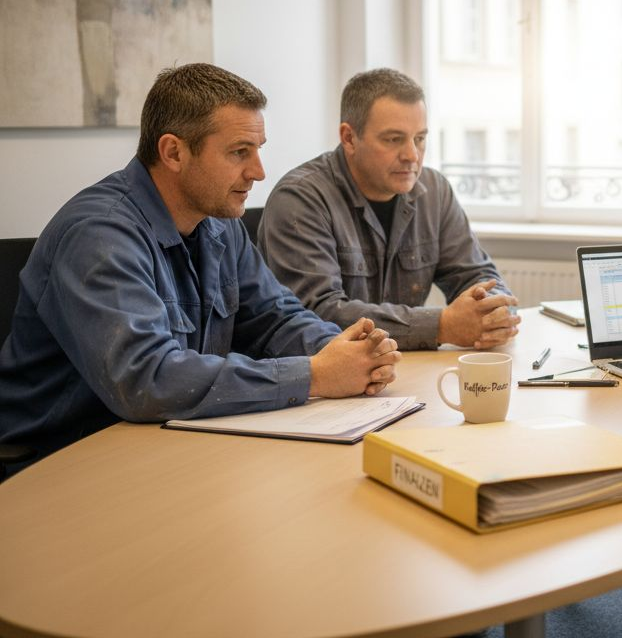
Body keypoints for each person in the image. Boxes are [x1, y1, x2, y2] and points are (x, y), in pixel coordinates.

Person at [0, 64, 401, 469]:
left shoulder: (220, 224)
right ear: (174, 152)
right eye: (239, 152)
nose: (259, 172)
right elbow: (147, 379)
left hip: (164, 443)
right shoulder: (98, 236)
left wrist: (347, 352)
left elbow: (275, 319)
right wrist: (315, 374)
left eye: (259, 149)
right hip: (59, 459)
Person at [258, 68, 519, 352]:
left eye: (419, 138)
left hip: (401, 372)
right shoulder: (300, 199)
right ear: (349, 138)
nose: (412, 155)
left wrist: (494, 313)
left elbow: (477, 275)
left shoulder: (435, 190)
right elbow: (318, 314)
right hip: (325, 380)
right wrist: (441, 325)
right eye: (394, 139)